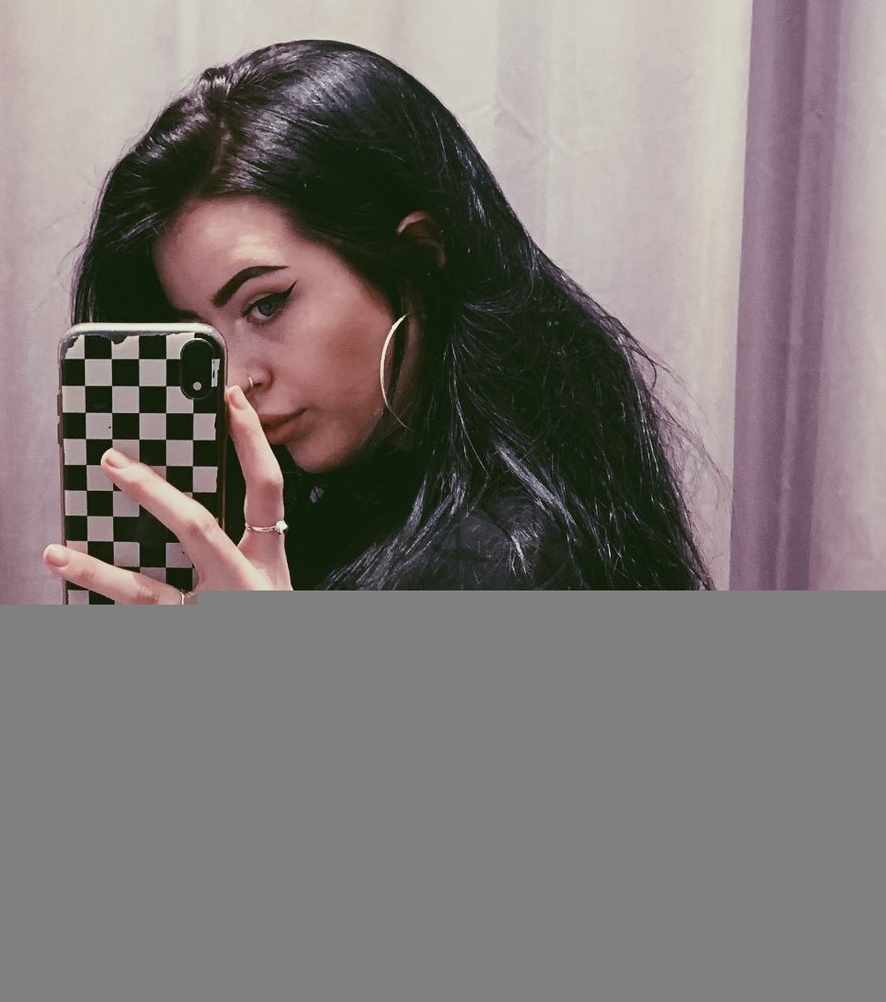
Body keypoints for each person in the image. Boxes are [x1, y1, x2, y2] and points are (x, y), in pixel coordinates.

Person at [43, 40, 712, 598]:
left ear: (416, 259)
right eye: (201, 336)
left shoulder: (506, 563)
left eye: (267, 304)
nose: (236, 380)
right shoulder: (342, 504)